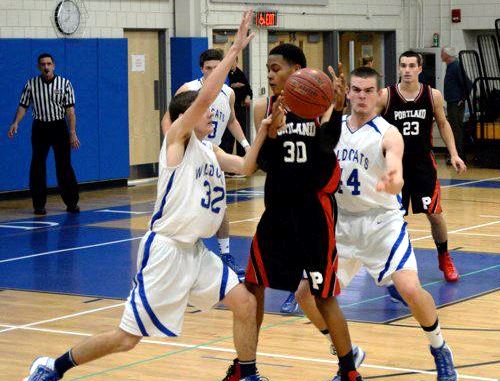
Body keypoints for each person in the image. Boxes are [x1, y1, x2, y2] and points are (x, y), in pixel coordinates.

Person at [23, 12, 268, 381]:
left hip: (195, 253)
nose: (212, 115)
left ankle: (245, 375)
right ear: (189, 115)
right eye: (205, 110)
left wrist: (265, 128)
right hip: (166, 252)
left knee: (246, 303)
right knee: (127, 339)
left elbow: (248, 166)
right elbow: (205, 98)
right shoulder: (177, 143)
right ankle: (53, 367)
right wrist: (234, 50)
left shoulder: (210, 149)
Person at [296, 66, 458, 381]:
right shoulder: (333, 127)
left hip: (381, 223)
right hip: (340, 225)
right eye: (356, 89)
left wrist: (394, 180)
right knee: (305, 294)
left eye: (368, 90)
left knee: (410, 289)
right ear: (348, 92)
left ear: (378, 94)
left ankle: (439, 347)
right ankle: (346, 352)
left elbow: (395, 166)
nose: (361, 96)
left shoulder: (388, 132)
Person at [223, 43, 363, 381]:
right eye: (268, 69)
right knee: (254, 287)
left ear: (297, 70)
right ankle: (246, 367)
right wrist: (269, 135)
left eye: (276, 68)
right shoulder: (266, 107)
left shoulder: (322, 104)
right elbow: (265, 164)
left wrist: (338, 110)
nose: (270, 74)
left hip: (314, 215)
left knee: (324, 297)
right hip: (278, 214)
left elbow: (328, 147)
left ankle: (349, 370)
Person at [162, 49, 250, 279]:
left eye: (216, 67)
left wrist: (247, 145)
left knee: (219, 203)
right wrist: (175, 146)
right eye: (208, 68)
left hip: (212, 152)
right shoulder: (189, 90)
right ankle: (186, 249)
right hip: (189, 153)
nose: (212, 71)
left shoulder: (229, 93)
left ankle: (226, 254)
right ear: (202, 69)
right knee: (188, 203)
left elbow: (231, 120)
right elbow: (167, 119)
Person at [379, 50, 467, 282]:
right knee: (393, 219)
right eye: (403, 66)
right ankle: (391, 265)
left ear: (420, 69)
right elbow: (369, 126)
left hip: (422, 166)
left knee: (435, 215)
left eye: (411, 66)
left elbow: (443, 123)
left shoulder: (432, 95)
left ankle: (444, 256)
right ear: (399, 68)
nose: (406, 70)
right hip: (395, 166)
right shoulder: (385, 96)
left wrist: (454, 154)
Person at [8, 53, 80, 215]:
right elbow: (23, 106)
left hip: (59, 127)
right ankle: (39, 205)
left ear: (54, 65)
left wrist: (72, 132)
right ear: (38, 67)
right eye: (43, 64)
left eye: (48, 64)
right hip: (40, 127)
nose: (46, 67)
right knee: (37, 165)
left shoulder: (65, 84)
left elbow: (71, 112)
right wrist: (16, 122)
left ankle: (71, 202)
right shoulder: (31, 84)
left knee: (64, 165)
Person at [441, 46, 471, 161]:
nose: (441, 55)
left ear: (447, 55)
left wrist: (463, 98)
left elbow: (467, 83)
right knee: (454, 128)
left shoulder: (456, 66)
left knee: (455, 128)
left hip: (455, 102)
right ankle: (456, 154)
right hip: (452, 101)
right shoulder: (451, 66)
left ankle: (458, 155)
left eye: (442, 53)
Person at [220, 55, 253, 159]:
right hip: (229, 108)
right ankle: (226, 159)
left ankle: (242, 159)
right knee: (228, 136)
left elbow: (248, 89)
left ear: (237, 62)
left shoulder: (240, 73)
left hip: (240, 107)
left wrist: (248, 97)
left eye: (233, 61)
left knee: (241, 132)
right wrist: (232, 86)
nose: (231, 63)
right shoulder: (225, 74)